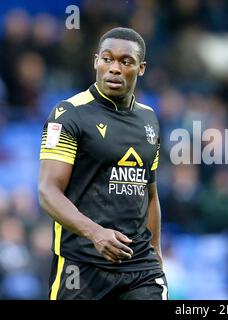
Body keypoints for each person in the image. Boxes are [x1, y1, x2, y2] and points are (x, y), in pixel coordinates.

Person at [38, 27, 167, 300]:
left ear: (141, 68)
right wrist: (95, 233)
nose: (114, 69)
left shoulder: (150, 120)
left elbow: (150, 193)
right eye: (107, 59)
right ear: (96, 61)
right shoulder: (68, 115)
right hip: (82, 266)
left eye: (125, 61)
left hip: (139, 266)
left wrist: (155, 251)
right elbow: (48, 191)